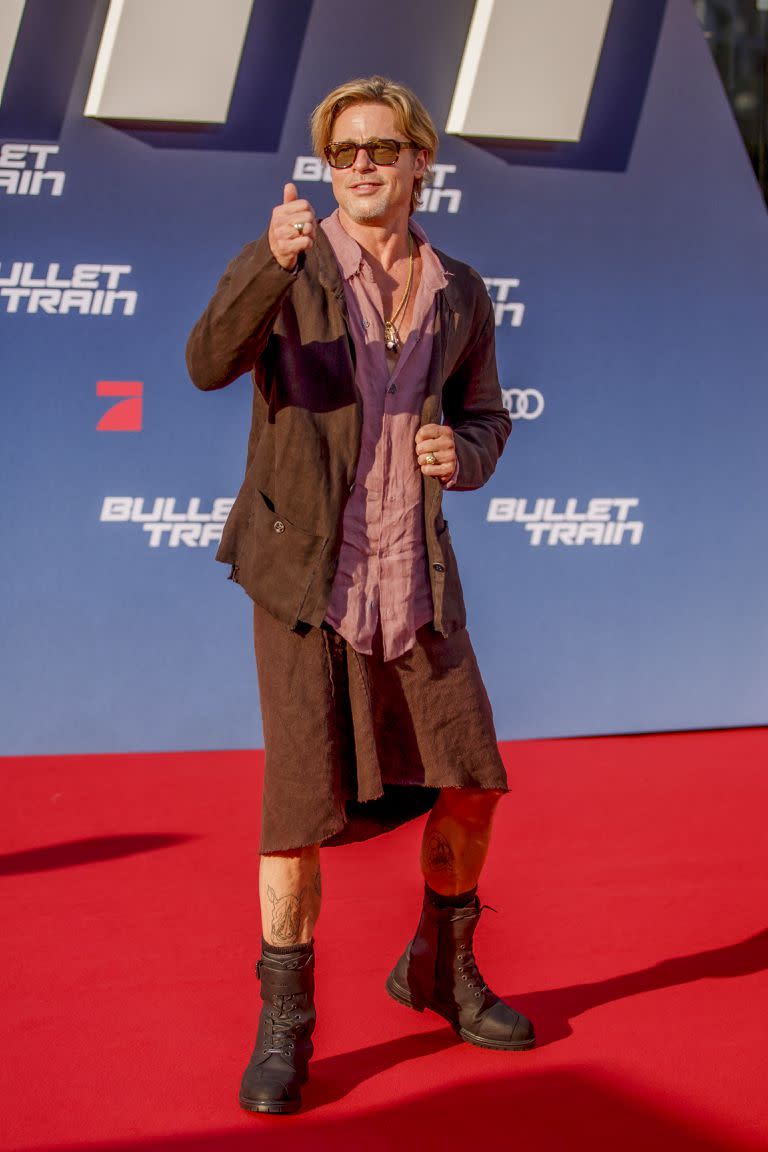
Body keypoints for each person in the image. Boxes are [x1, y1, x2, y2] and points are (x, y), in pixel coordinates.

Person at [186, 75, 534, 1115]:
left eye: (384, 149)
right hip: (307, 580)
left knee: (471, 782)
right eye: (346, 154)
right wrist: (267, 260)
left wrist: (461, 454)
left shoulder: (461, 289)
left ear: (423, 159)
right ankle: (285, 1022)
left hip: (413, 574)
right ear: (327, 167)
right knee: (296, 816)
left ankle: (441, 966)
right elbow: (207, 362)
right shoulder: (291, 270)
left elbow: (489, 416)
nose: (365, 167)